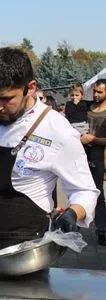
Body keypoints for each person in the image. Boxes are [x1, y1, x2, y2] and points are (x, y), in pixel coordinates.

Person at [0, 47, 98, 251]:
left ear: (31, 88)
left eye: (6, 99)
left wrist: (74, 212)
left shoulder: (58, 131)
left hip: (26, 249)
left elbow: (85, 191)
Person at [81, 79, 106, 245]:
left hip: (99, 156)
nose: (96, 95)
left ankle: (102, 230)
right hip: (82, 156)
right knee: (78, 190)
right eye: (95, 91)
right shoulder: (87, 108)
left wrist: (92, 139)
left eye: (100, 92)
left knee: (98, 194)